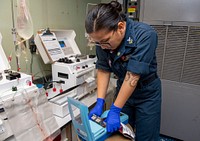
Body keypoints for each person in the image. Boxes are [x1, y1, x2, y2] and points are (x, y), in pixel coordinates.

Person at [85, 1, 161, 141]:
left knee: (146, 137)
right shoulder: (102, 41)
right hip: (123, 91)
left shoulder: (145, 35)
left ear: (120, 27)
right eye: (98, 43)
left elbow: (133, 76)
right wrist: (100, 101)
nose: (102, 46)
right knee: (122, 135)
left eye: (105, 41)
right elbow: (103, 69)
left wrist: (114, 110)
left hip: (146, 94)